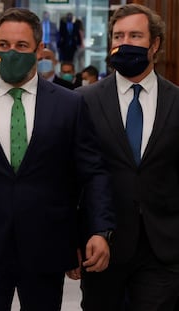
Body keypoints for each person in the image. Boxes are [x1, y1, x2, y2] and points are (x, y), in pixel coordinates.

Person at [0, 7, 115, 311]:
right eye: (3, 45)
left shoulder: (69, 104)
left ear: (39, 50)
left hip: (46, 247)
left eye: (21, 46)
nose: (11, 53)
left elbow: (93, 173)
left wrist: (98, 231)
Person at [76, 4, 179, 310]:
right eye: (118, 36)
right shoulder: (84, 101)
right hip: (101, 244)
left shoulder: (176, 101)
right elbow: (73, 176)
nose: (125, 43)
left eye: (135, 35)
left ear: (155, 44)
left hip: (163, 247)